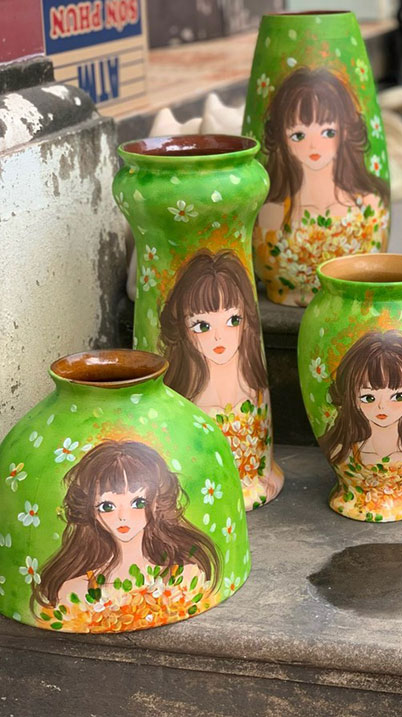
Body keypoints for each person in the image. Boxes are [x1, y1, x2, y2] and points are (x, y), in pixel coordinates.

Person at [33, 440, 220, 618]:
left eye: (138, 503)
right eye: (107, 506)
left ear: (157, 503)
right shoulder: (74, 591)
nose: (123, 516)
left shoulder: (183, 577)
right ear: (91, 511)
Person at [255, 67, 389, 305]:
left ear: (345, 132)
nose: (313, 145)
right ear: (282, 139)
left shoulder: (369, 205)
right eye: (298, 135)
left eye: (328, 132)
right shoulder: (272, 213)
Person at [160, 249, 280, 507]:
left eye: (233, 320)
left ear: (247, 321)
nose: (218, 337)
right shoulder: (184, 391)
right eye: (202, 326)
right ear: (182, 328)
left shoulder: (251, 381)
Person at [319, 331, 402, 520]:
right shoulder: (342, 449)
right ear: (352, 398)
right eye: (368, 397)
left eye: (398, 396)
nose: (382, 406)